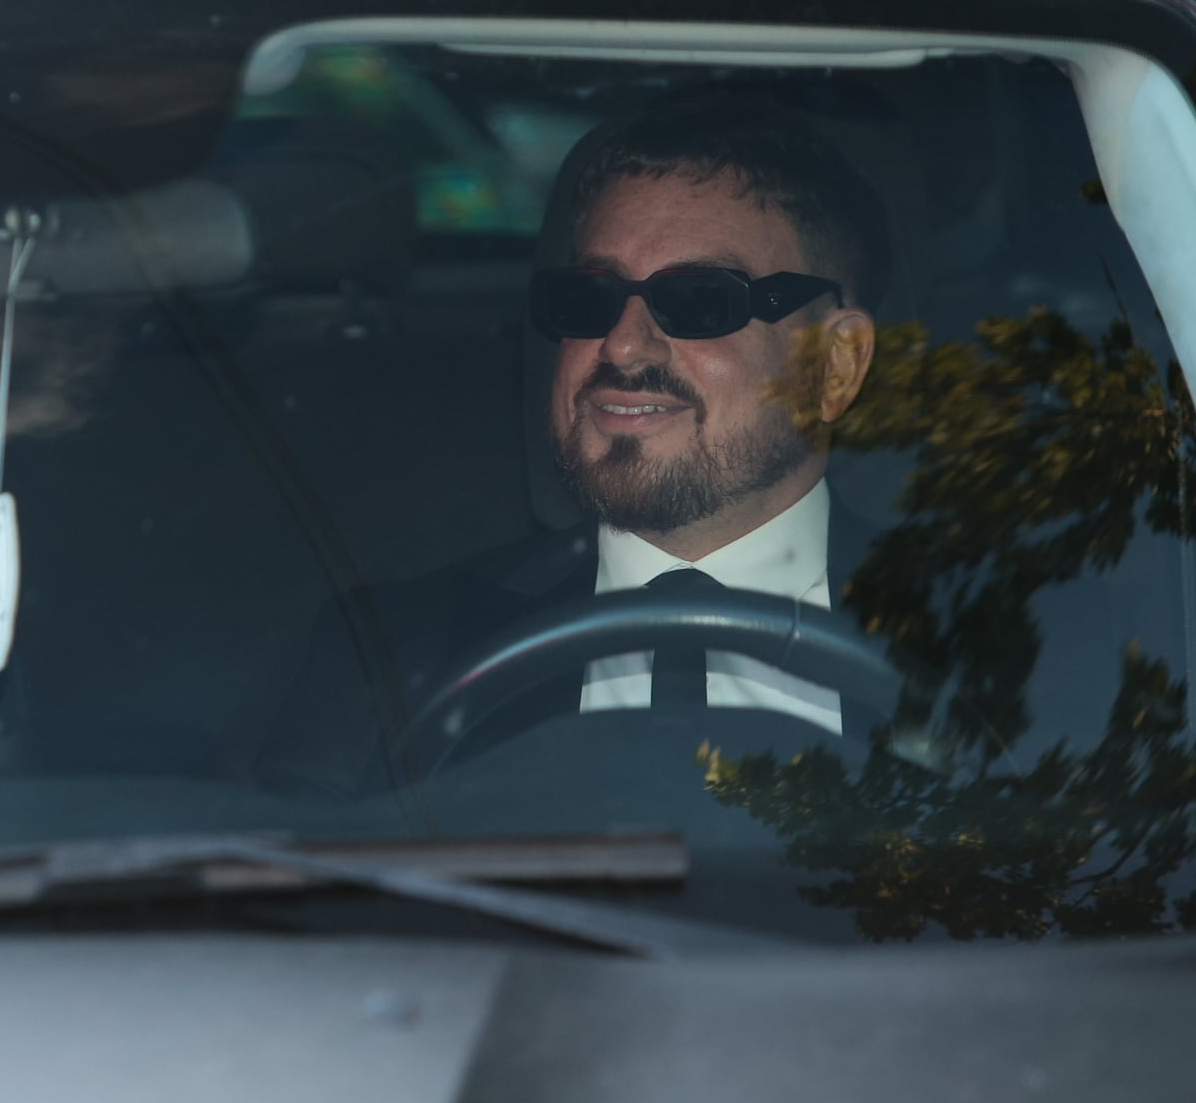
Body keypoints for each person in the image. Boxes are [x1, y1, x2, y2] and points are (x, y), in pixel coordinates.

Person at [256, 98, 889, 797]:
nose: (620, 343)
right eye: (590, 297)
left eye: (702, 300)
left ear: (833, 367)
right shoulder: (384, 656)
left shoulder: (1004, 650)